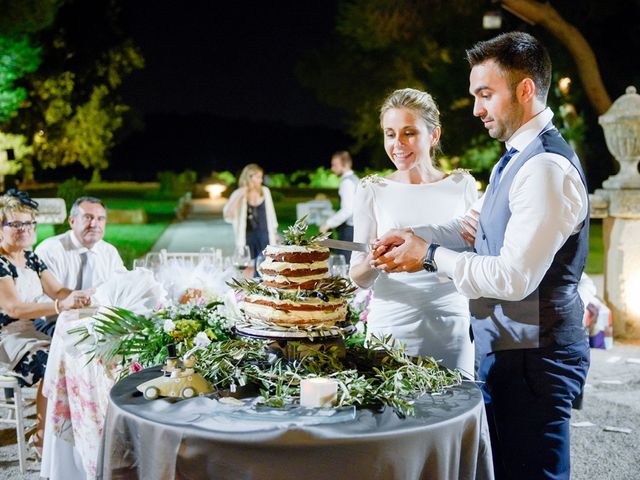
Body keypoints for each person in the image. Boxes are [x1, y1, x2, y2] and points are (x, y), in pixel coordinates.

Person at [372, 32, 590, 479]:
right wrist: (412, 235)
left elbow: (513, 279)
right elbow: (471, 228)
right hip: (510, 345)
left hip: (537, 354)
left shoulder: (544, 168)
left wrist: (430, 256)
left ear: (525, 90)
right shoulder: (513, 158)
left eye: (486, 95)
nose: (476, 109)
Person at [350, 88, 477, 377]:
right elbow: (357, 277)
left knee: (452, 408)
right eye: (390, 133)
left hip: (451, 325)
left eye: (409, 133)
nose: (397, 144)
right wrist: (373, 261)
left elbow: (476, 253)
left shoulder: (462, 184)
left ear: (434, 135)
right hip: (391, 327)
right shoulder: (372, 190)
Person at [0, 190, 93, 453]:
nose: (24, 229)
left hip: (30, 333)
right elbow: (13, 308)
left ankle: (63, 427)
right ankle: (42, 433)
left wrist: (78, 295)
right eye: (15, 224)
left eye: (29, 223)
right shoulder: (0, 263)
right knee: (54, 359)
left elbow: (58, 291)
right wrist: (58, 305)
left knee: (75, 351)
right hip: (6, 338)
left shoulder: (31, 258)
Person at [35, 196, 126, 334]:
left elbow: (123, 288)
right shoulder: (50, 250)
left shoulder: (109, 252)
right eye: (88, 217)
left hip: (97, 323)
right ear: (72, 221)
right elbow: (47, 298)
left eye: (100, 219)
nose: (95, 224)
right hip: (54, 322)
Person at [223, 164, 279, 267]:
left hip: (265, 235)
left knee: (267, 266)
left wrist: (275, 232)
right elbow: (228, 215)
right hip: (247, 237)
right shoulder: (238, 193)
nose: (261, 180)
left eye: (261, 177)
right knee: (247, 267)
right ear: (249, 177)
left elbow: (271, 214)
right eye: (258, 177)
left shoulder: (265, 192)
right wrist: (240, 194)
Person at [320, 151, 359, 262]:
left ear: (346, 164)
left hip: (349, 231)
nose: (332, 169)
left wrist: (327, 224)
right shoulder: (355, 179)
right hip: (356, 229)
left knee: (343, 264)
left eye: (335, 165)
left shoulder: (347, 182)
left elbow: (347, 210)